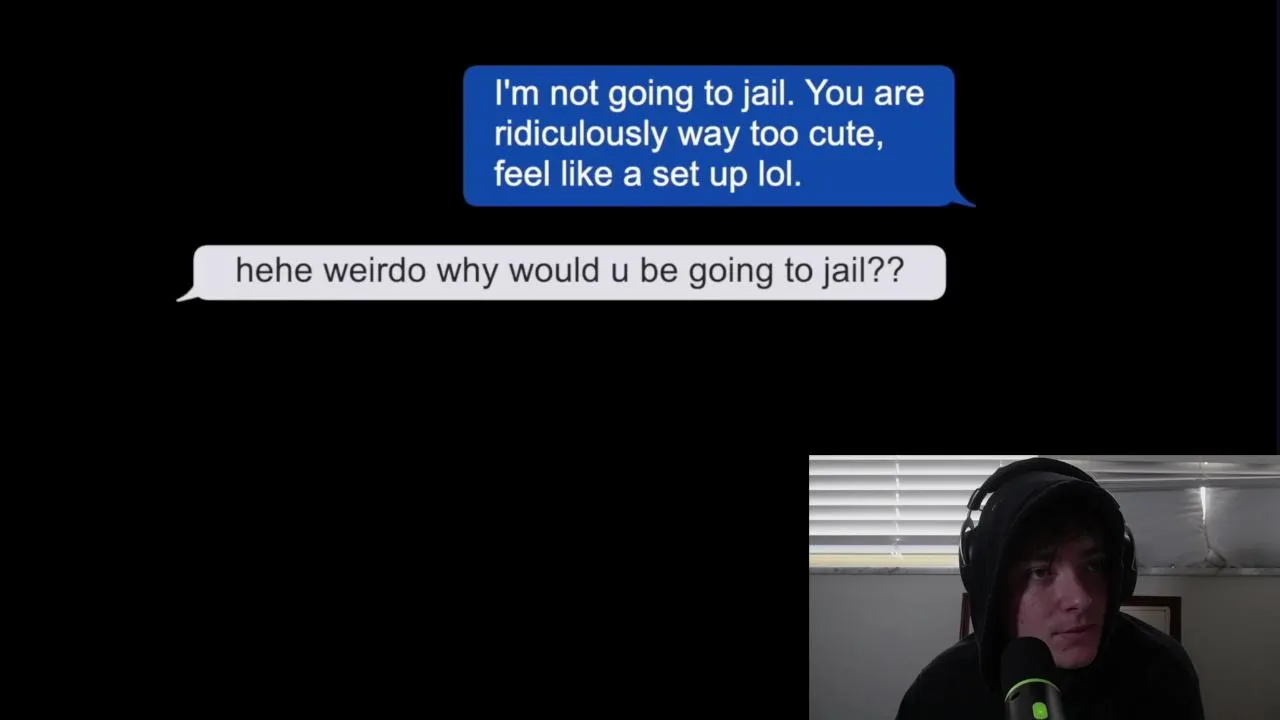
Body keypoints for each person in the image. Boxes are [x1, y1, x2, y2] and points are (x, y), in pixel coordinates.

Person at [894, 457, 1205, 719]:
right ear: (993, 587)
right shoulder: (939, 694)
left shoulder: (1162, 673)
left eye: (1094, 565)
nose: (1081, 599)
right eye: (1040, 572)